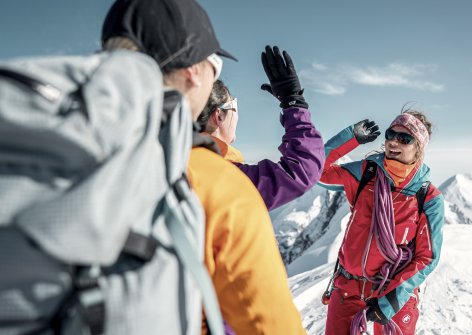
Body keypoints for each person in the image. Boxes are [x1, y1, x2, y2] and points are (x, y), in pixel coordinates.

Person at [102, 0, 306, 334]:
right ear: (193, 73)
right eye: (215, 66)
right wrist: (294, 103)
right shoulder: (218, 183)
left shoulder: (67, 153)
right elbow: (270, 325)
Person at [319, 110, 445, 335]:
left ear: (418, 147)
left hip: (394, 292)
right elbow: (317, 171)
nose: (394, 141)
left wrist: (390, 302)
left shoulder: (427, 197)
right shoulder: (366, 173)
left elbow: (427, 258)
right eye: (390, 134)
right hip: (348, 287)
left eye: (404, 138)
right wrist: (350, 137)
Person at [197, 46, 325, 210]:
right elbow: (302, 169)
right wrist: (293, 102)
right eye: (234, 105)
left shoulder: (180, 162)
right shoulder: (221, 176)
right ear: (219, 116)